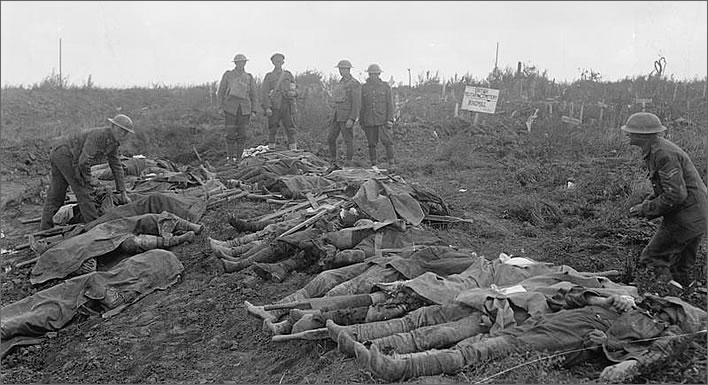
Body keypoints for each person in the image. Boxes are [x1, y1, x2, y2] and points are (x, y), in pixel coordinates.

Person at [335, 289, 706, 383]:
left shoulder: (663, 333)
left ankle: (400, 369)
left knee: (490, 350)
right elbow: (567, 296)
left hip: (573, 340)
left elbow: (646, 358)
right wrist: (604, 297)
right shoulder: (625, 303)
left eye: (663, 309)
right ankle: (386, 352)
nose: (653, 308)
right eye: (654, 304)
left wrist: (620, 362)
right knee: (482, 341)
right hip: (551, 321)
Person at [623, 112, 708, 289]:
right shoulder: (658, 149)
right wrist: (648, 201)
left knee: (653, 258)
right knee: (680, 267)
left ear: (642, 136)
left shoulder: (663, 154)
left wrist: (646, 208)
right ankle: (682, 302)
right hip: (697, 214)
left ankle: (664, 298)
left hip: (687, 217)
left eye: (631, 131)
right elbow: (669, 188)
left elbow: (676, 195)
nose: (627, 134)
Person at [39, 114, 135, 230]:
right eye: (121, 130)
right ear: (113, 126)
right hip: (65, 153)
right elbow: (83, 161)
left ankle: (45, 230)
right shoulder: (99, 135)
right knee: (84, 192)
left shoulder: (113, 143)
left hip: (62, 153)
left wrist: (123, 192)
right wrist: (90, 178)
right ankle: (94, 228)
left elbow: (116, 166)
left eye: (126, 132)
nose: (123, 134)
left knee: (56, 194)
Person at [217, 53, 258, 163]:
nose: (241, 64)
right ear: (235, 63)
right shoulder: (228, 75)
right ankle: (230, 158)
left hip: (245, 110)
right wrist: (220, 107)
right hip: (230, 109)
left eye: (243, 62)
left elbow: (254, 95)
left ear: (245, 63)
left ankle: (239, 159)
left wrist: (254, 110)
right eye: (238, 62)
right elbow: (221, 91)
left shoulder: (249, 77)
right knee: (230, 133)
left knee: (243, 134)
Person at [360, 64, 395, 169]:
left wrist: (390, 119)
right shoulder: (364, 88)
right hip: (369, 120)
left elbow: (390, 104)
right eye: (371, 74)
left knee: (388, 142)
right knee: (371, 143)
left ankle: (391, 163)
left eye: (375, 74)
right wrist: (362, 121)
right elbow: (362, 106)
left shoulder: (385, 87)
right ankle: (374, 164)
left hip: (383, 119)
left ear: (379, 74)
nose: (373, 76)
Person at [327, 59, 361, 164]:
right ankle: (333, 159)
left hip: (346, 116)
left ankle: (349, 161)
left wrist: (352, 118)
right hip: (336, 115)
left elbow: (356, 103)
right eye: (340, 69)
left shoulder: (354, 84)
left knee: (348, 140)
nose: (341, 71)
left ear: (349, 70)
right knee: (331, 138)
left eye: (343, 69)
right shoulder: (340, 83)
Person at [262, 53, 299, 150]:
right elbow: (264, 93)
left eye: (280, 61)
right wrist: (268, 107)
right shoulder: (269, 76)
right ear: (273, 62)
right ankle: (271, 149)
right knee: (272, 128)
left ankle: (293, 150)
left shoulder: (288, 75)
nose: (278, 63)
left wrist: (293, 93)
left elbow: (296, 89)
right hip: (274, 106)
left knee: (290, 128)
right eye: (276, 61)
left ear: (283, 62)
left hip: (287, 105)